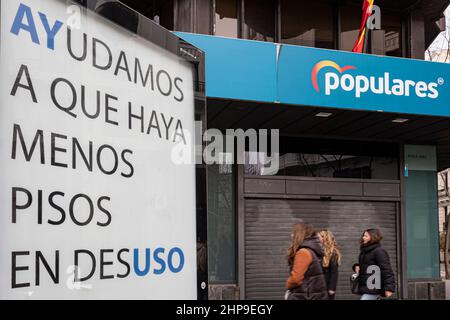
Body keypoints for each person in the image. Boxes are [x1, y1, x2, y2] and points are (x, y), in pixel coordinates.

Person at [285, 221, 328, 300]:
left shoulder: (303, 253)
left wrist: (288, 283)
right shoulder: (311, 250)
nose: (291, 235)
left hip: (305, 296)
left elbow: (296, 279)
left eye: (293, 233)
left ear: (299, 234)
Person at [352, 228, 396, 300]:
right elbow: (367, 265)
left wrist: (389, 288)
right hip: (367, 285)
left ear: (373, 237)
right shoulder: (364, 251)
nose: (363, 237)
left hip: (374, 285)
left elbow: (386, 270)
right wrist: (357, 266)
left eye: (366, 236)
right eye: (363, 235)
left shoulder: (379, 251)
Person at [318, 230, 342, 300]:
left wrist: (332, 288)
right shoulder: (317, 250)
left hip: (326, 285)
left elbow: (334, 272)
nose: (318, 238)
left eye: (320, 237)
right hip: (318, 285)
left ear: (326, 238)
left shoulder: (332, 253)